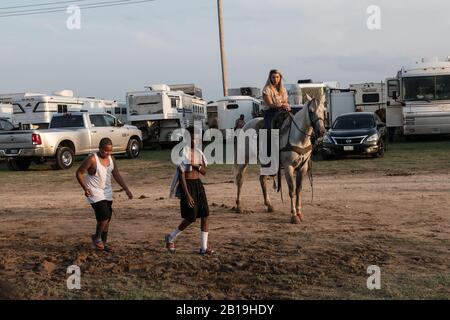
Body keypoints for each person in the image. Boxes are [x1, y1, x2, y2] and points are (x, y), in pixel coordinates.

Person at [76, 138, 133, 252]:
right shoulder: (92, 159)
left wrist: (126, 189)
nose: (108, 153)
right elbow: (79, 173)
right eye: (106, 151)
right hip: (94, 191)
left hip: (107, 192)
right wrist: (85, 188)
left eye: (110, 151)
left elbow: (116, 174)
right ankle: (97, 237)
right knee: (105, 215)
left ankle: (103, 243)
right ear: (100, 149)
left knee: (108, 218)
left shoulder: (111, 159)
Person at [166, 126, 213, 255]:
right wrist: (187, 195)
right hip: (188, 185)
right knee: (191, 217)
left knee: (205, 215)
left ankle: (203, 247)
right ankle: (171, 237)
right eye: (193, 137)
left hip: (198, 185)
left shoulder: (199, 152)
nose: (196, 140)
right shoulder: (184, 153)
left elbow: (204, 171)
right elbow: (181, 175)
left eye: (197, 137)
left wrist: (196, 165)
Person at [262, 69, 291, 157]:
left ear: (280, 78)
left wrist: (286, 105)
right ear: (270, 78)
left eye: (277, 77)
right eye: (273, 77)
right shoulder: (266, 89)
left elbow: (285, 101)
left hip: (282, 112)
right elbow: (270, 104)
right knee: (269, 131)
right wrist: (282, 105)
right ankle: (268, 154)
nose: (275, 79)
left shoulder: (283, 89)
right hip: (270, 113)